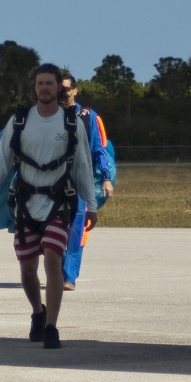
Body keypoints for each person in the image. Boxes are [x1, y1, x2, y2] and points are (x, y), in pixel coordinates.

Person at [0, 64, 98, 349]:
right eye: (40, 83)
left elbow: (82, 164)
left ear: (59, 88)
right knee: (28, 268)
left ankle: (52, 326)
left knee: (53, 260)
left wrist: (91, 203)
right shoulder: (20, 121)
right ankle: (37, 311)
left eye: (49, 84)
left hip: (58, 204)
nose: (44, 88)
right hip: (25, 205)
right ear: (34, 88)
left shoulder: (71, 123)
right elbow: (1, 159)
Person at [59, 74, 114, 291]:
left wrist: (107, 179)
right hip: (51, 180)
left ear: (75, 90)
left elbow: (99, 148)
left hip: (81, 180)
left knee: (76, 228)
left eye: (66, 90)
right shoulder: (48, 114)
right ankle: (59, 264)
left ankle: (68, 276)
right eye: (59, 90)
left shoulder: (89, 116)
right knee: (50, 226)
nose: (63, 94)